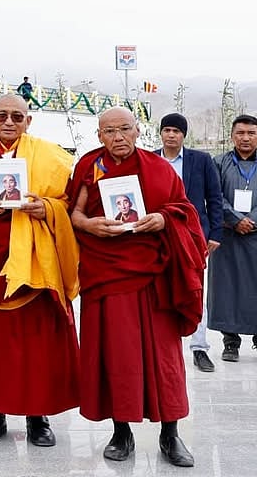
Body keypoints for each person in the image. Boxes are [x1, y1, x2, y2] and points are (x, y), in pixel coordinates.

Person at [68, 107, 205, 467]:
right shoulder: (90, 167)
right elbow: (74, 213)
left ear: (138, 130)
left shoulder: (158, 169)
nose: (118, 138)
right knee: (116, 354)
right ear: (99, 136)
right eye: (109, 131)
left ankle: (171, 435)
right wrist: (88, 226)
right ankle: (121, 432)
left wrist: (162, 218)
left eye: (124, 129)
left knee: (164, 359)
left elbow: (184, 212)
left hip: (153, 274)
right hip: (106, 272)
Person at [0, 94, 79, 447]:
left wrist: (45, 207)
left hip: (35, 259)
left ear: (29, 121)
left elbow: (67, 203)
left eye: (17, 117)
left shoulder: (49, 155)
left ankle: (37, 418)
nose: (9, 122)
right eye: (1, 116)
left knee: (37, 342)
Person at [155, 112, 222, 373]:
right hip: (157, 234)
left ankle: (200, 347)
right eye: (167, 130)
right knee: (158, 290)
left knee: (195, 289)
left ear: (184, 135)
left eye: (176, 131)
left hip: (192, 235)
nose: (171, 135)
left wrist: (215, 233)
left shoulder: (201, 160)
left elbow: (213, 198)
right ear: (161, 133)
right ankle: (160, 345)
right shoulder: (150, 159)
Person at [209, 114, 257, 363]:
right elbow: (215, 196)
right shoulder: (218, 163)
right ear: (232, 136)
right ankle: (230, 342)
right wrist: (236, 219)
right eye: (241, 133)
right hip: (228, 234)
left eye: (251, 133)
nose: (246, 138)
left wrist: (252, 219)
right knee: (227, 288)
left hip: (256, 235)